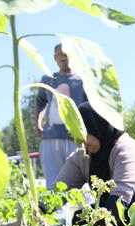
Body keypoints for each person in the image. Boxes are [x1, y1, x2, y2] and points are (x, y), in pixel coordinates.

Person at [56, 102, 135, 220]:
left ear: (96, 126)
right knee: (83, 217)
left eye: (82, 133)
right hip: (121, 213)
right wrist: (40, 209)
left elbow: (120, 201)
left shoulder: (127, 150)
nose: (78, 140)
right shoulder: (83, 156)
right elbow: (58, 194)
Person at [36, 44, 87, 189]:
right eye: (60, 54)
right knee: (53, 183)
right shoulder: (48, 80)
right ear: (55, 58)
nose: (63, 57)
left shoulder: (82, 81)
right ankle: (57, 211)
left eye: (67, 53)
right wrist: (38, 123)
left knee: (80, 182)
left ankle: (85, 211)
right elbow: (40, 103)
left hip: (75, 138)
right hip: (50, 137)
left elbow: (90, 108)